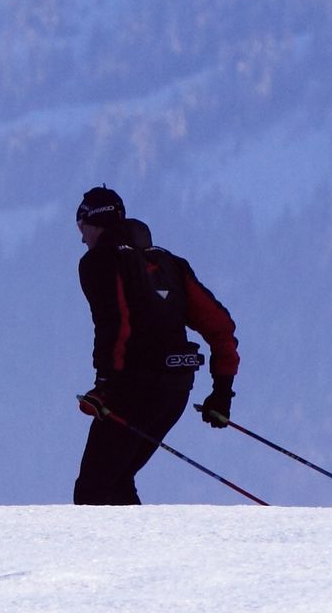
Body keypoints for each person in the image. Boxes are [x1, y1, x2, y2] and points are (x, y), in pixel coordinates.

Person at [69, 186, 240, 506]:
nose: (81, 238)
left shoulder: (99, 262)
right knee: (117, 481)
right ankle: (140, 552)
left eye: (81, 228)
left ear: (93, 223)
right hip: (175, 390)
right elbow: (220, 326)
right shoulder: (169, 263)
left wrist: (105, 386)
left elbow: (114, 324)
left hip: (133, 388)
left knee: (93, 490)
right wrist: (222, 392)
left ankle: (117, 556)